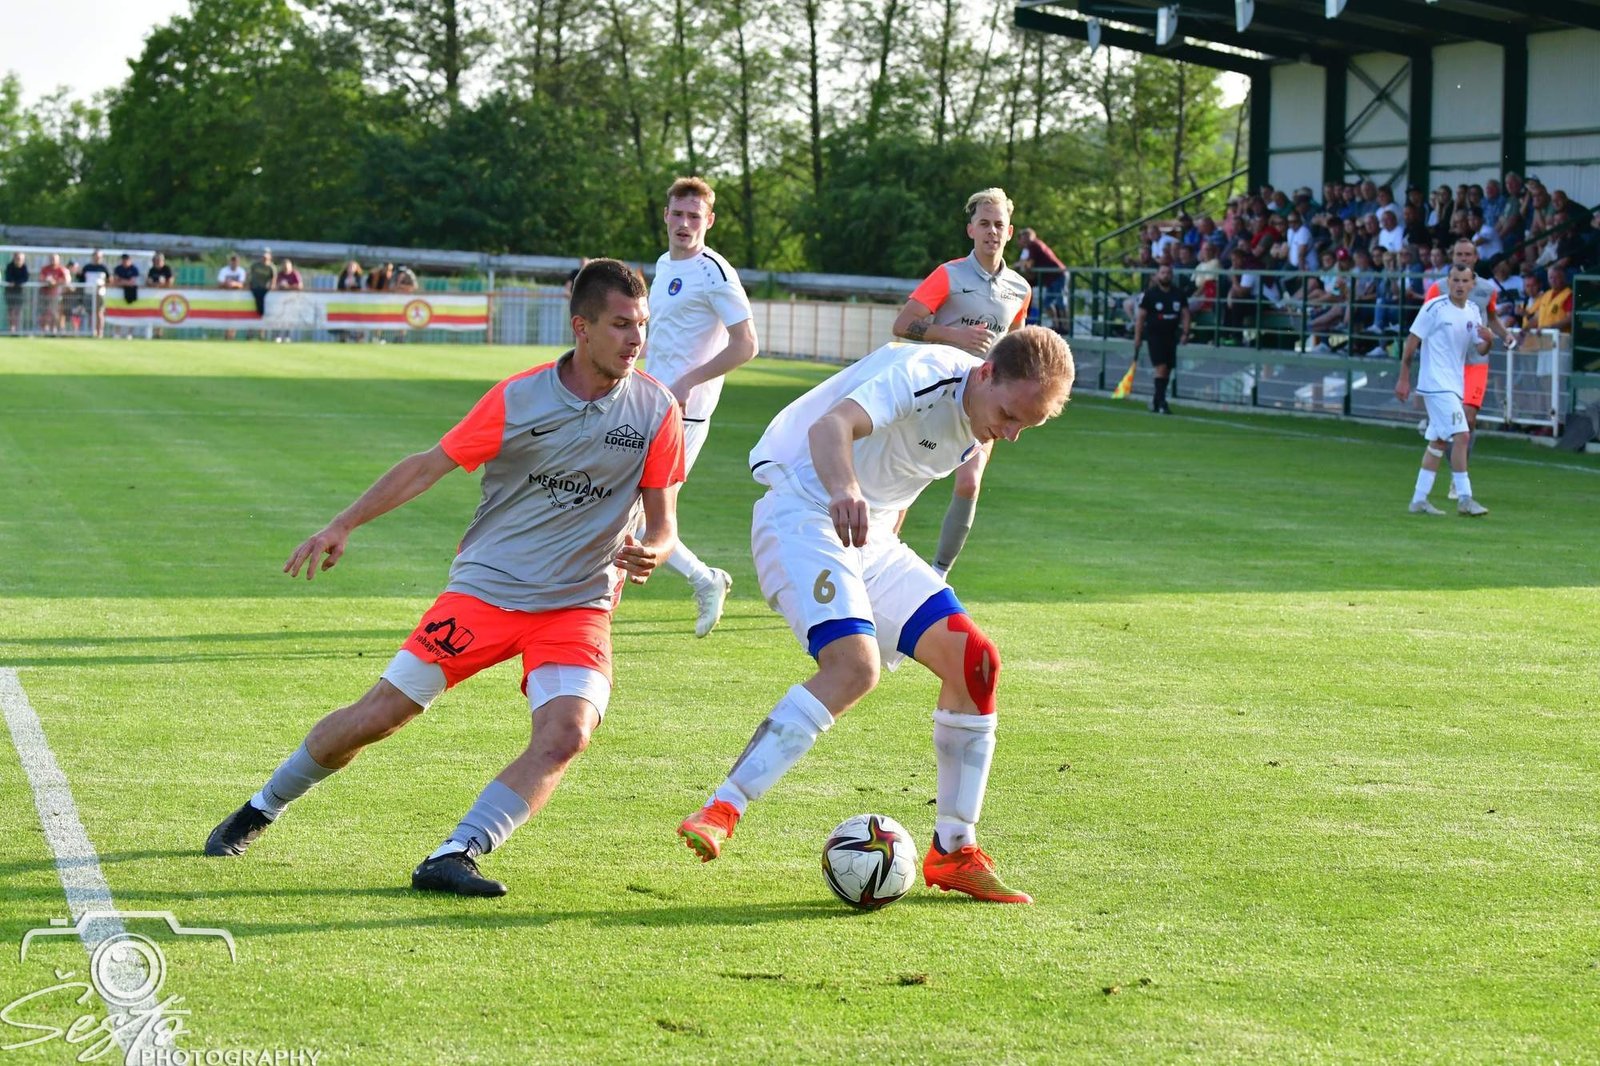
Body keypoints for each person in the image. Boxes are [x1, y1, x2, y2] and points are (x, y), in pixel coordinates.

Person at [204, 260, 687, 897]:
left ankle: (456, 853)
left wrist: (654, 550)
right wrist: (342, 524)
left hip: (578, 604)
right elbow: (427, 466)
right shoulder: (518, 397)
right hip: (486, 591)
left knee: (568, 734)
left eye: (642, 325)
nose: (635, 339)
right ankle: (261, 806)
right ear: (582, 327)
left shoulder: (656, 410)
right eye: (621, 324)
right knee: (379, 716)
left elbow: (664, 523)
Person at [674, 327, 1075, 905]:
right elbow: (830, 427)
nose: (1011, 434)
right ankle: (722, 809)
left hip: (868, 536)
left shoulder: (981, 419)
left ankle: (954, 849)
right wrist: (845, 492)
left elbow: (901, 477)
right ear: (986, 372)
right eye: (1010, 416)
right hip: (804, 510)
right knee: (853, 669)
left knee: (975, 662)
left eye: (1026, 427)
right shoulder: (927, 375)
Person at [640, 176, 759, 637]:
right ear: (665, 216)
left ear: (709, 221)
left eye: (694, 216)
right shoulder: (664, 263)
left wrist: (689, 381)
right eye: (678, 214)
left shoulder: (715, 272)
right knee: (625, 515)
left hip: (684, 415)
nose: (685, 223)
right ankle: (704, 579)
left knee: (638, 520)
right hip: (649, 404)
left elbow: (746, 344)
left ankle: (704, 579)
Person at [891, 187, 1031, 577]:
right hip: (936, 394)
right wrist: (954, 335)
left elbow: (1015, 346)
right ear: (971, 229)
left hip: (984, 402)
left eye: (999, 224)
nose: (992, 231)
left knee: (970, 483)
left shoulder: (1020, 289)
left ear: (1009, 231)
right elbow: (903, 325)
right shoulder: (948, 275)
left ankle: (938, 576)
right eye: (984, 223)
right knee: (906, 483)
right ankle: (876, 562)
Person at [1397, 263, 1492, 518]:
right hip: (1436, 384)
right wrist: (1404, 377)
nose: (1459, 285)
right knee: (1462, 435)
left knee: (1438, 442)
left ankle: (1418, 500)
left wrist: (1489, 340)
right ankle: (1465, 498)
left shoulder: (1473, 311)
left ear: (1472, 284)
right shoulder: (1434, 308)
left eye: (1464, 281)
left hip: (1454, 385)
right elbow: (1412, 342)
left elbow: (1479, 348)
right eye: (1455, 280)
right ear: (1448, 282)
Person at [1422, 239, 1514, 466]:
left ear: (1475, 258)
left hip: (1476, 360)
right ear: (1453, 257)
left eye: (1467, 254)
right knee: (1450, 421)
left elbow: (1491, 317)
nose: (1463, 258)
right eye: (1459, 254)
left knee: (1468, 418)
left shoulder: (1487, 289)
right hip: (1446, 362)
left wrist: (1505, 334)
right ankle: (1452, 463)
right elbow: (1425, 320)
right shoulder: (1437, 288)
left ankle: (1458, 474)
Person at [1131, 262, 1191, 413]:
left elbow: (1185, 314)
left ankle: (1156, 400)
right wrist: (1137, 337)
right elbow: (1141, 317)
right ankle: (1162, 402)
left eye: (1168, 273)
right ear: (1157, 275)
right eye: (1163, 273)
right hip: (1155, 335)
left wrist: (1185, 332)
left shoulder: (1178, 294)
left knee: (1168, 369)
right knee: (1161, 367)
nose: (1166, 275)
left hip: (1172, 335)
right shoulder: (1150, 294)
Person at [1013, 227, 1066, 329]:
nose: (1022, 240)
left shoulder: (1034, 245)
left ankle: (1065, 326)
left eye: (1024, 237)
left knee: (1060, 301)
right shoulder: (1033, 246)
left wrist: (1020, 266)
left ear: (1028, 237)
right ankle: (1057, 325)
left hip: (1057, 275)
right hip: (1051, 277)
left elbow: (1030, 264)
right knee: (1048, 303)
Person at [80, 250, 110, 338]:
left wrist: (102, 286)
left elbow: (110, 281)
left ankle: (100, 332)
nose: (97, 258)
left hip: (100, 294)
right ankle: (92, 331)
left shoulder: (104, 268)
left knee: (99, 312)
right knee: (90, 313)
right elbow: (81, 280)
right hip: (88, 293)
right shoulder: (87, 267)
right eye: (96, 256)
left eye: (99, 257)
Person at [38, 254, 69, 334]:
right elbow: (41, 279)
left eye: (55, 259)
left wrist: (55, 282)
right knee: (44, 312)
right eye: (52, 259)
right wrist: (47, 281)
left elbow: (66, 280)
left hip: (56, 296)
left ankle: (54, 329)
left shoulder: (61, 269)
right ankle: (44, 330)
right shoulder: (45, 269)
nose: (53, 261)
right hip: (45, 295)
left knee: (55, 313)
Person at [3, 252, 27, 334]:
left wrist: (16, 283)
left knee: (17, 310)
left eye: (21, 259)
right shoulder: (10, 266)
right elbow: (8, 277)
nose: (19, 260)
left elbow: (25, 278)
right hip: (10, 292)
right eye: (18, 258)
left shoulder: (24, 267)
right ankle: (12, 328)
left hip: (20, 292)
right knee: (11, 310)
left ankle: (17, 328)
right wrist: (12, 282)